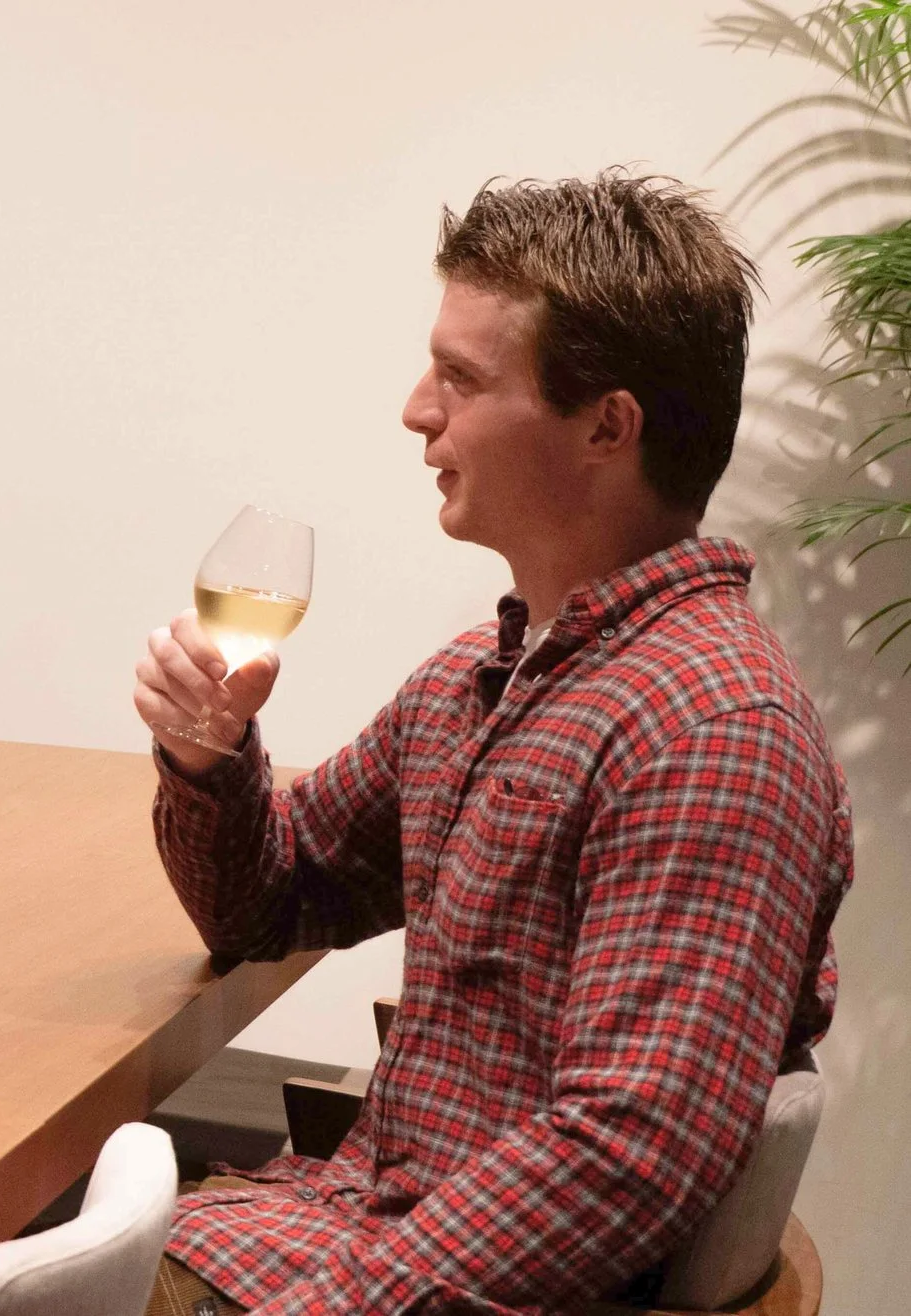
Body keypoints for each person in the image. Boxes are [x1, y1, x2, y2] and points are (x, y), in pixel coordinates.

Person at [130, 173, 853, 1314]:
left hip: (406, 1282)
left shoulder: (712, 731)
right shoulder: (485, 675)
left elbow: (624, 1157)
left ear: (606, 425)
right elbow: (272, 903)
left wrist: (328, 1305)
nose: (417, 409)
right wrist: (206, 762)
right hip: (342, 1220)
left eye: (461, 378)